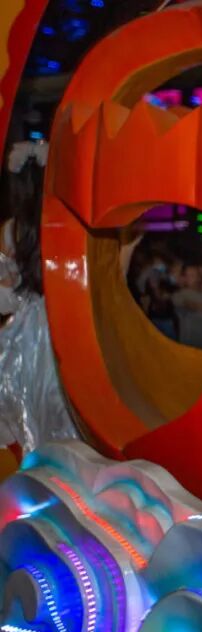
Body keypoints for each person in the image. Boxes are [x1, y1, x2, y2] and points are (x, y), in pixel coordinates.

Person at [0, 140, 80, 452]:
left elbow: (4, 296)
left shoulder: (10, 231)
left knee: (27, 407)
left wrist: (16, 294)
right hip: (66, 326)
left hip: (23, 334)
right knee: (67, 410)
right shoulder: (64, 229)